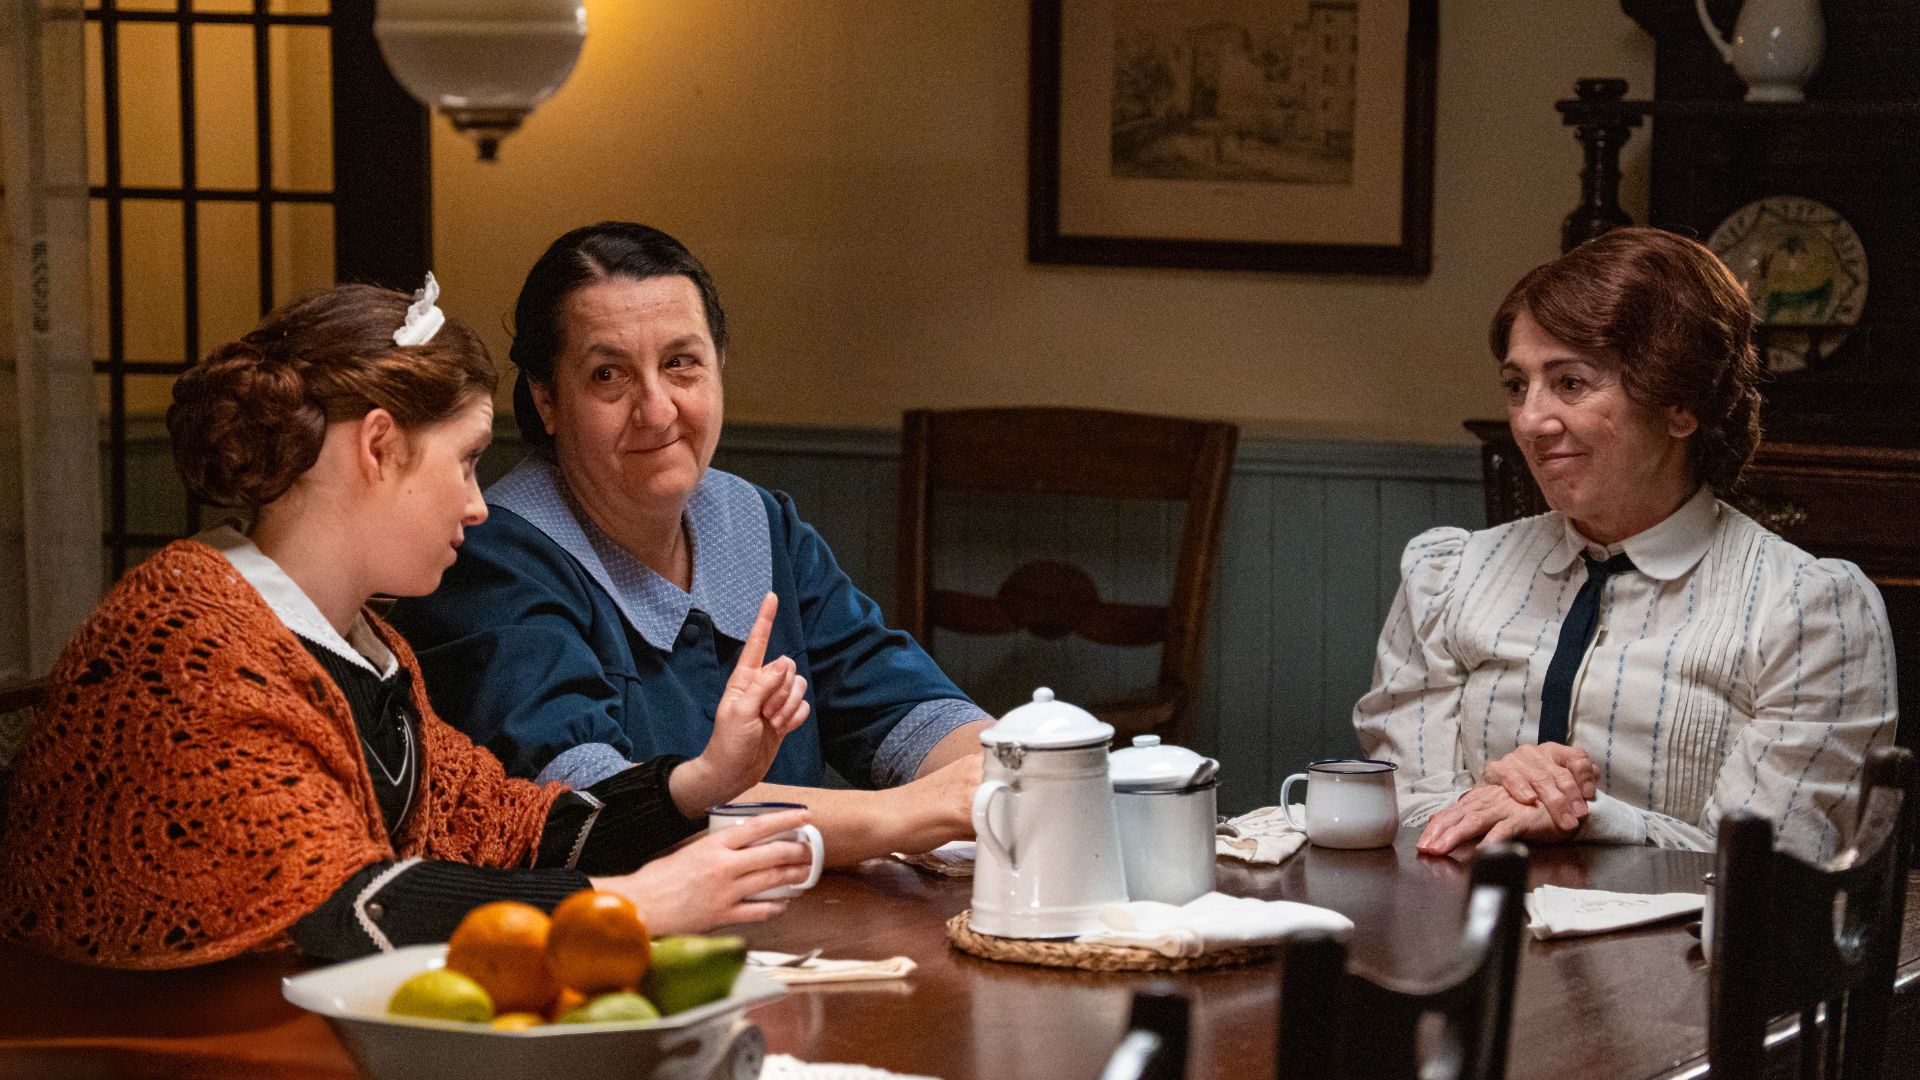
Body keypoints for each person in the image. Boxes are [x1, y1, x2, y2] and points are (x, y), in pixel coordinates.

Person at [0, 279, 817, 969]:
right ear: (380, 446)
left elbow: (509, 826)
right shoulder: (184, 643)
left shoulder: (367, 644)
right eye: (465, 460)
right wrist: (634, 903)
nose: (477, 501)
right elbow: (348, 906)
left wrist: (701, 781)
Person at [390, 223, 991, 865]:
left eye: (681, 364)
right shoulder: (494, 555)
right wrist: (910, 812)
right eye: (608, 375)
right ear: (546, 401)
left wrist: (1008, 767)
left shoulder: (758, 522)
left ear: (719, 366)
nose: (657, 409)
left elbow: (906, 710)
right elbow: (601, 814)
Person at [1354, 228, 1897, 863]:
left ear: (1681, 406)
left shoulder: (1807, 613)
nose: (1530, 420)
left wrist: (1584, 817)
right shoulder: (1445, 579)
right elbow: (1404, 811)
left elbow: (1766, 872)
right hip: (1461, 945)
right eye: (1515, 384)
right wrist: (1507, 801)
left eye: (1571, 383)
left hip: (1690, 959)